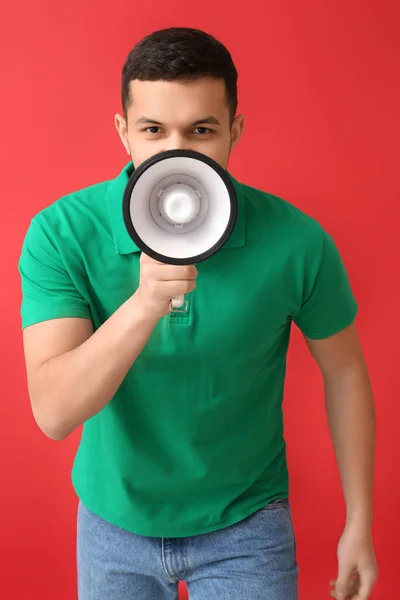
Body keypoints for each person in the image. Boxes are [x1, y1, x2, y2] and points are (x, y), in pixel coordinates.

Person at [18, 27, 377, 600]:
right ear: (123, 132)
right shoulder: (61, 234)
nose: (176, 153)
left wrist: (360, 521)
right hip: (113, 525)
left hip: (247, 527)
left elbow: (346, 372)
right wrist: (144, 304)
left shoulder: (297, 241)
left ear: (234, 129)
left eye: (202, 130)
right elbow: (55, 414)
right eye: (153, 130)